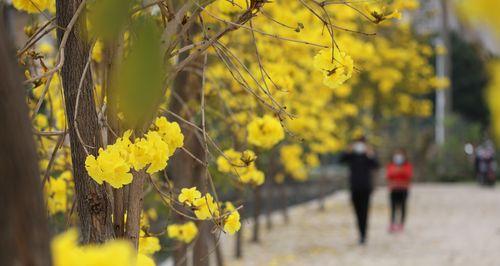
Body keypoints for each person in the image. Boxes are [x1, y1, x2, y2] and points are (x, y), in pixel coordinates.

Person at [340, 136, 379, 245]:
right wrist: (348, 150)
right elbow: (341, 160)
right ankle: (360, 233)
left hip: (366, 188)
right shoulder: (352, 155)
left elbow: (376, 165)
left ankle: (363, 235)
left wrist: (370, 154)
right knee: (357, 212)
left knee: (365, 212)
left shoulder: (368, 155)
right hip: (354, 188)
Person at [386, 149, 413, 233]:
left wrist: (398, 171)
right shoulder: (391, 165)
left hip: (404, 189)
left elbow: (408, 175)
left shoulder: (407, 165)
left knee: (403, 207)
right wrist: (399, 172)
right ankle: (392, 223)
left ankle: (401, 224)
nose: (398, 157)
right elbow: (389, 175)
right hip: (393, 189)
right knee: (393, 207)